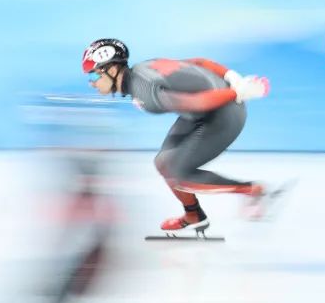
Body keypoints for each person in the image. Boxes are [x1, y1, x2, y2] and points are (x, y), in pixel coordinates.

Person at [81, 38, 271, 235]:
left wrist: (237, 92)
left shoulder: (144, 90)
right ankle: (194, 215)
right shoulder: (142, 68)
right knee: (164, 163)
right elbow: (198, 62)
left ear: (112, 70)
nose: (92, 83)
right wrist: (231, 76)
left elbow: (196, 103)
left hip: (222, 113)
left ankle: (252, 190)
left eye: (94, 75)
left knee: (179, 174)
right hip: (203, 111)